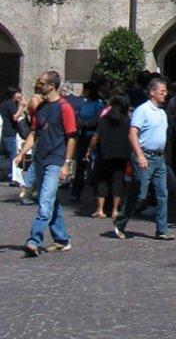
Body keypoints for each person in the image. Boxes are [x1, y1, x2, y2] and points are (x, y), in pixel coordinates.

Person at [14, 70, 77, 256]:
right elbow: (34, 133)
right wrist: (22, 153)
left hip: (55, 161)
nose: (38, 86)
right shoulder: (41, 108)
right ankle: (62, 239)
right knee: (52, 201)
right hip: (40, 160)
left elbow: (72, 136)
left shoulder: (64, 107)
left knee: (44, 202)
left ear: (51, 85)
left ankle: (34, 240)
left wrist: (67, 163)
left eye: (42, 83)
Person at [113, 76, 174, 241]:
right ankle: (120, 221)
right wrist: (140, 156)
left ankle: (161, 230)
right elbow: (133, 134)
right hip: (145, 155)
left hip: (159, 158)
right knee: (140, 194)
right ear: (152, 92)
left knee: (162, 193)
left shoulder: (162, 113)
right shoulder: (143, 110)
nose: (165, 94)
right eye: (162, 91)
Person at [88, 93, 131, 219]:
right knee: (118, 180)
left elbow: (96, 136)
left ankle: (100, 209)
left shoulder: (104, 120)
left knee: (102, 180)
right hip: (122, 154)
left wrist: (90, 149)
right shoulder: (127, 121)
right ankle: (115, 210)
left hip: (105, 153)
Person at [70, 80, 104, 202]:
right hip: (82, 136)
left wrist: (86, 124)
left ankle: (97, 192)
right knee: (80, 165)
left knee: (94, 165)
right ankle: (76, 192)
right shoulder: (85, 103)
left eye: (85, 89)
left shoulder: (98, 104)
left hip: (92, 136)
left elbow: (99, 120)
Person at [0, 86, 22, 183]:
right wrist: (22, 107)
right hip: (10, 133)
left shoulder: (4, 104)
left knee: (2, 156)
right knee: (14, 156)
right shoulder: (11, 104)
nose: (20, 95)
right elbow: (15, 117)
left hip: (3, 133)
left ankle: (6, 174)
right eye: (18, 93)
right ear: (13, 94)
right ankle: (15, 178)